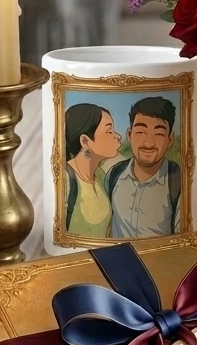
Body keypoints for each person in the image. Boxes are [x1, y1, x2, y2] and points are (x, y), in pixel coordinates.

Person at [106, 96, 182, 238]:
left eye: (159, 134)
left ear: (170, 139)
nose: (148, 143)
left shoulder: (179, 181)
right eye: (141, 132)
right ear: (129, 135)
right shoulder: (114, 174)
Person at [64, 103, 121, 239]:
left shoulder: (101, 176)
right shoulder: (64, 179)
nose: (118, 136)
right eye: (109, 131)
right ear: (85, 141)